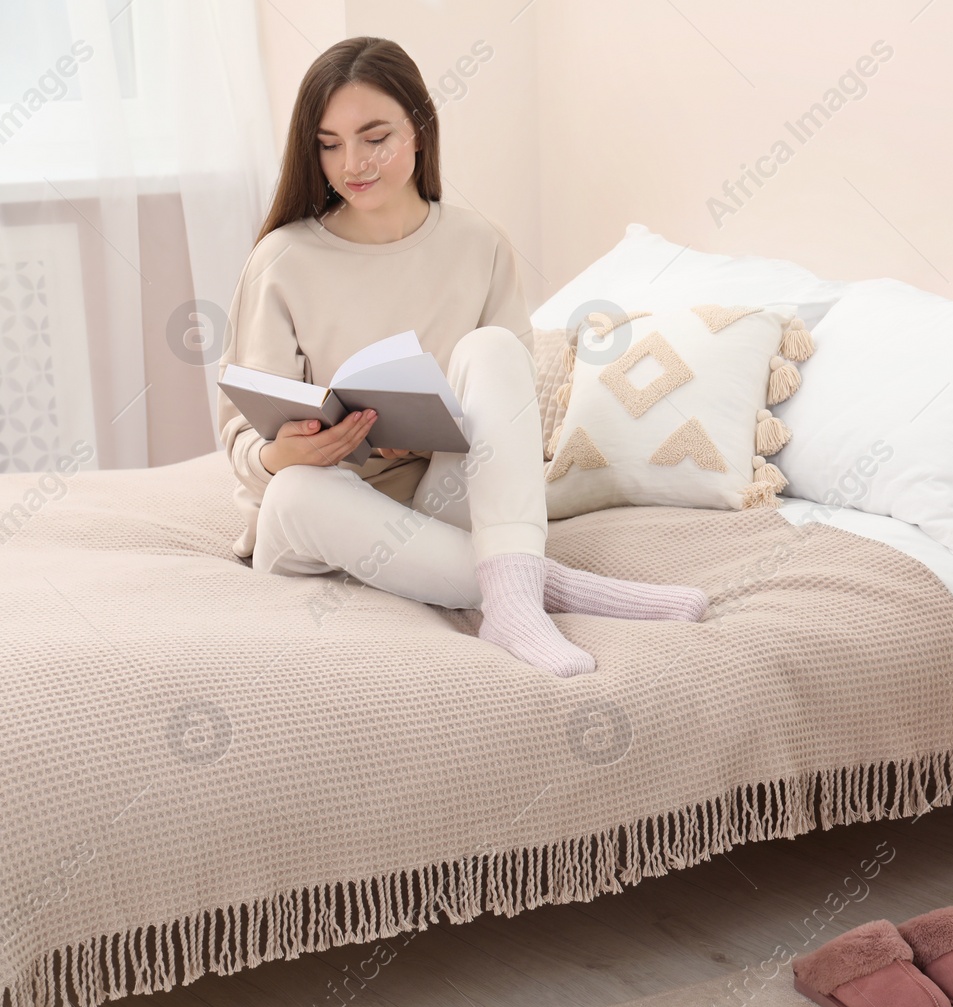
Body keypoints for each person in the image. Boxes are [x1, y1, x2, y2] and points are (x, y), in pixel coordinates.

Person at [215, 37, 706, 677]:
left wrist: (423, 433)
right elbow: (241, 435)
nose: (352, 163)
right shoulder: (282, 259)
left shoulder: (480, 245)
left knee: (494, 348)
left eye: (374, 137)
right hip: (317, 518)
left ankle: (508, 596)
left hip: (440, 499)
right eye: (329, 143)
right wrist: (289, 453)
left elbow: (509, 420)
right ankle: (537, 589)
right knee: (297, 495)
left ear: (420, 132)